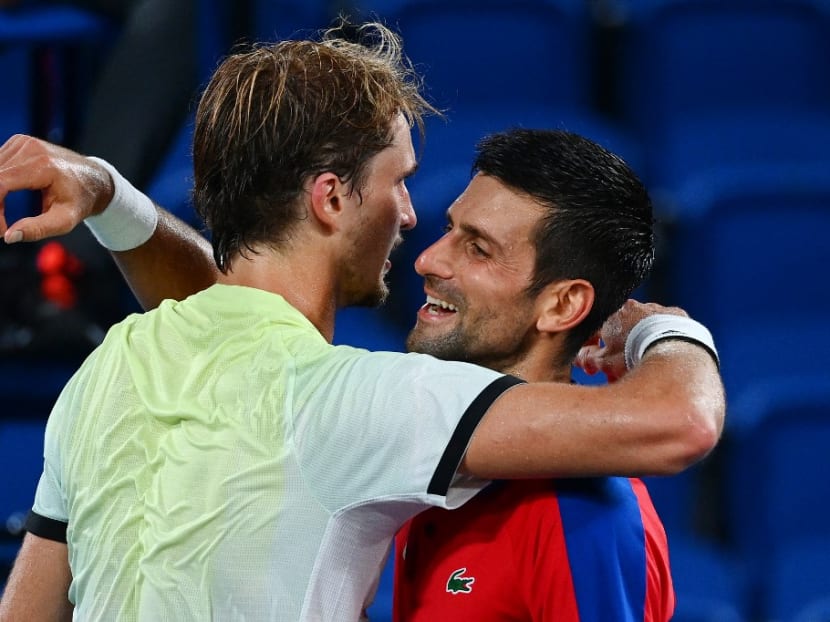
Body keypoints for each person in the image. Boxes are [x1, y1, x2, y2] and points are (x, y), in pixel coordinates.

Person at [0, 22, 723, 622]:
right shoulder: (365, 403)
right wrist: (658, 327)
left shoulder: (108, 373)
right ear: (330, 199)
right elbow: (679, 421)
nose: (411, 224)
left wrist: (110, 198)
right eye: (399, 182)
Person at [393, 129, 673, 620]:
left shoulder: (583, 517)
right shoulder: (439, 452)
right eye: (450, 229)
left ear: (563, 305)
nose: (428, 259)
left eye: (478, 249)